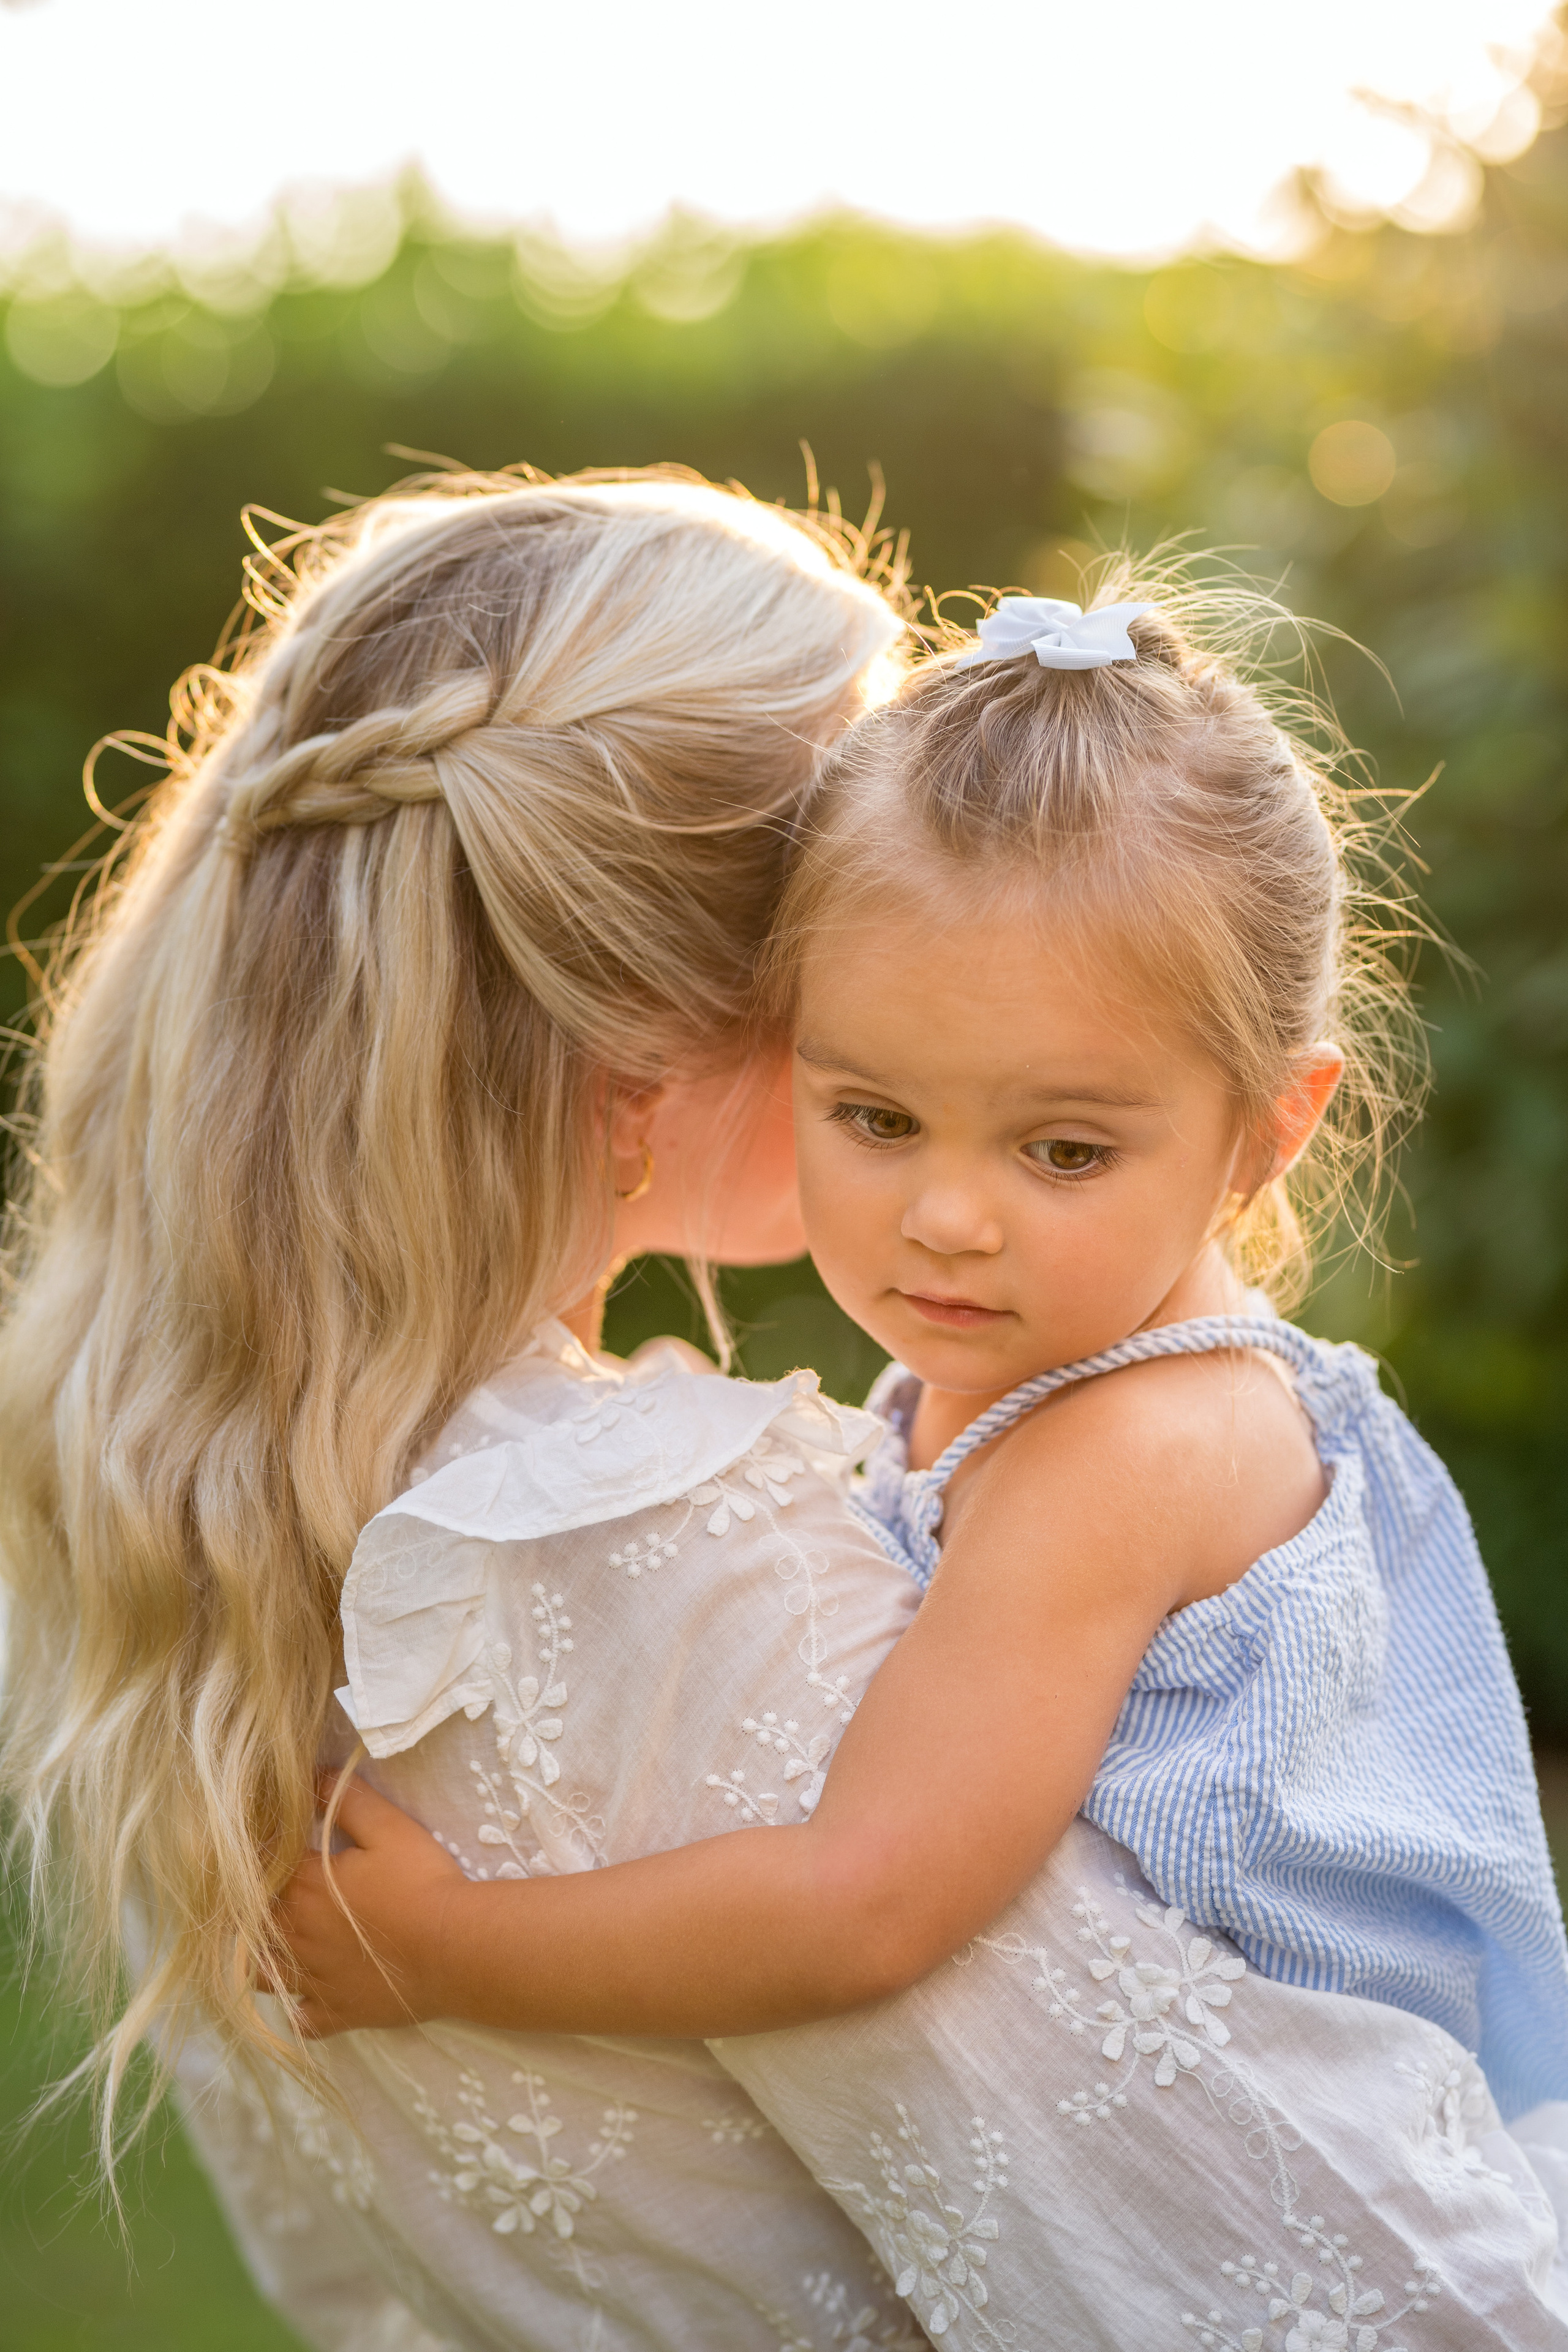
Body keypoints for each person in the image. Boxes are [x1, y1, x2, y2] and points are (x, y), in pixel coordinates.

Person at [5, 497, 1564, 2352]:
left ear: (1265, 1125)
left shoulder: (135, 1481)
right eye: (875, 1099)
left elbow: (855, 1915)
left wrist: (443, 1952)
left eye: (1064, 1143)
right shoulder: (633, 1543)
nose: (952, 1212)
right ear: (666, 1034)